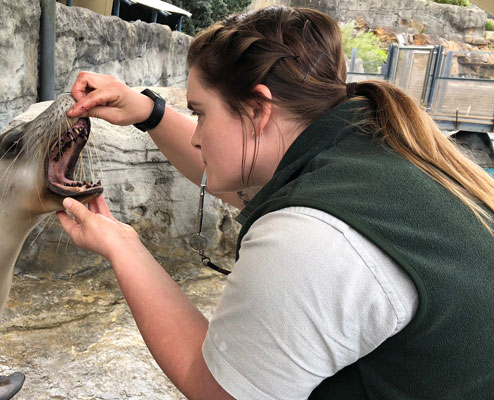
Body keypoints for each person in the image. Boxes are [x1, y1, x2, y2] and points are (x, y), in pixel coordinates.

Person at [56, 6, 494, 399]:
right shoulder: (368, 145)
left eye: (201, 113)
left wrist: (123, 247)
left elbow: (218, 389)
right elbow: (234, 171)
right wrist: (146, 111)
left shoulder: (313, 237)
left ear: (258, 110)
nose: (194, 133)